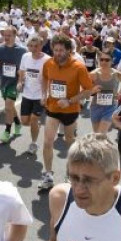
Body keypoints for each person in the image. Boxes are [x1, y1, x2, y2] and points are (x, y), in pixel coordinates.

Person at [39, 34, 94, 191]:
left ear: (69, 50)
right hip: (52, 108)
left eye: (61, 50)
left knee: (69, 141)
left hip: (70, 109)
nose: (57, 53)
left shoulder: (78, 67)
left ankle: (72, 173)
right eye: (55, 50)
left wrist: (70, 101)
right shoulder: (48, 63)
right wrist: (44, 94)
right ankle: (48, 175)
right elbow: (44, 78)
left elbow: (88, 90)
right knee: (48, 141)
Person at [0, 26, 27, 143]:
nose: (6, 37)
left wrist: (22, 77)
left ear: (15, 36)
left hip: (15, 82)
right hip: (3, 82)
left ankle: (7, 131)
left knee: (8, 106)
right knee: (9, 106)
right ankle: (17, 123)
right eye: (4, 35)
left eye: (9, 35)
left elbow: (27, 66)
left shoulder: (22, 51)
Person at [16, 35, 51, 155]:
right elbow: (22, 71)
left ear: (41, 46)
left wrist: (45, 95)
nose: (33, 48)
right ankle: (36, 125)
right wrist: (20, 82)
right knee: (25, 121)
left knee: (34, 119)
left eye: (36, 46)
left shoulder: (47, 60)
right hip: (27, 94)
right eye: (31, 46)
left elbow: (50, 78)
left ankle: (34, 143)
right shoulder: (25, 56)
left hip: (39, 96)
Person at [89, 51, 121, 134]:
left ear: (112, 61)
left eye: (107, 60)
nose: (103, 62)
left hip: (110, 107)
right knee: (96, 134)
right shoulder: (93, 74)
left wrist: (120, 92)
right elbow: (87, 92)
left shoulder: (117, 74)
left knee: (101, 133)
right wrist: (93, 90)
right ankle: (101, 146)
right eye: (101, 59)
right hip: (96, 106)